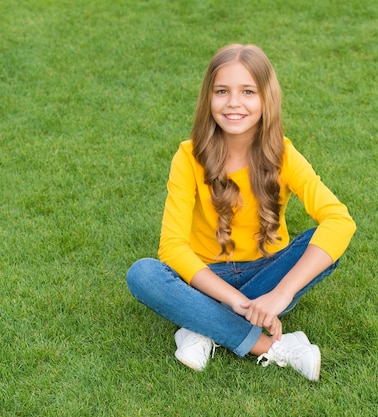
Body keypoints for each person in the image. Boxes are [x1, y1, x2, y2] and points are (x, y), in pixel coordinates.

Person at [126, 44, 356, 381]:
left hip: (268, 277)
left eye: (248, 91)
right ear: (208, 98)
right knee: (144, 274)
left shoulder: (284, 156)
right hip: (208, 279)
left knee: (324, 247)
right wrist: (235, 301)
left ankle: (201, 325)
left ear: (266, 99)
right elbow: (172, 247)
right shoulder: (188, 157)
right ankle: (272, 347)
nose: (234, 103)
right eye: (222, 91)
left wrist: (281, 294)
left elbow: (339, 220)